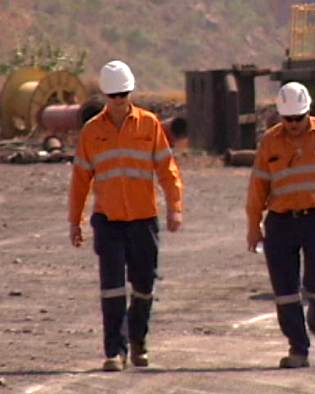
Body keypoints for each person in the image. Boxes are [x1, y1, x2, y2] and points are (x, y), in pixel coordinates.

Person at [68, 60, 183, 372]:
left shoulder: (149, 125)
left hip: (144, 220)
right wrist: (75, 220)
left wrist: (174, 206)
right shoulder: (92, 133)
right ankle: (114, 351)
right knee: (112, 287)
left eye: (124, 95)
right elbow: (80, 181)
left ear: (130, 93)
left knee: (144, 284)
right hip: (108, 221)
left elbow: (167, 169)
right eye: (114, 96)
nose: (119, 101)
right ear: (106, 96)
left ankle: (138, 341)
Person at [246, 82, 315, 368]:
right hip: (281, 222)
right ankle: (298, 348)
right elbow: (258, 186)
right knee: (284, 289)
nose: (294, 124)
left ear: (308, 112)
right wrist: (253, 225)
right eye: (288, 119)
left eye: (299, 117)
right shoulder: (270, 141)